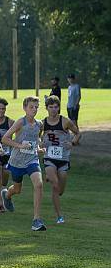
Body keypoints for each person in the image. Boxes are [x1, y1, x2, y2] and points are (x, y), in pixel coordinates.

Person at [1, 96, 47, 231]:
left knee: (38, 184)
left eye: (36, 107)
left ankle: (36, 220)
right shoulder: (20, 122)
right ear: (25, 108)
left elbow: (36, 139)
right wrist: (19, 145)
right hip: (17, 161)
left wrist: (39, 149)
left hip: (32, 160)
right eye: (31, 107)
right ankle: (7, 195)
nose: (34, 109)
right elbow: (5, 138)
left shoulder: (39, 124)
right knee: (17, 189)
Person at [42, 95, 81, 224]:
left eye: (56, 107)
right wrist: (39, 144)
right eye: (51, 107)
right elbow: (36, 137)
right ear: (46, 108)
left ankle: (50, 178)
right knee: (55, 185)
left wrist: (73, 142)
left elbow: (78, 133)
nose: (54, 109)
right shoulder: (43, 123)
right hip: (49, 158)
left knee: (60, 190)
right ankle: (60, 216)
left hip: (63, 158)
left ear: (59, 107)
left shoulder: (65, 121)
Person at [0, 97, 14, 197]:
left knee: (5, 176)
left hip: (7, 153)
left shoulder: (10, 122)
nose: (1, 111)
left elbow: (18, 137)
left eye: (3, 109)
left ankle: (3, 189)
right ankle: (1, 203)